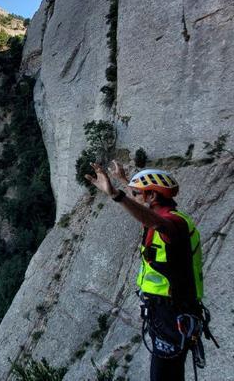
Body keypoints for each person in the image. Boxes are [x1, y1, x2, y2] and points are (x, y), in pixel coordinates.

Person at [85, 161, 206, 381]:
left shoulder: (173, 224)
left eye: (139, 194)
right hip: (167, 311)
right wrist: (123, 180)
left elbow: (155, 221)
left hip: (172, 313)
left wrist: (116, 195)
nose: (135, 197)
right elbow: (147, 212)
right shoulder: (169, 217)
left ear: (152, 198)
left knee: (162, 377)